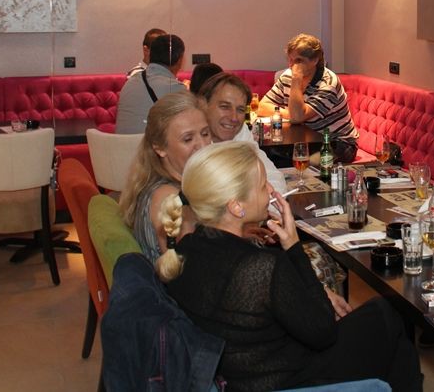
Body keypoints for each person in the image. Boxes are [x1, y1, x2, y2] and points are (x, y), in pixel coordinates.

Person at [158, 141, 422, 392]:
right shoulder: (262, 267)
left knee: (386, 331)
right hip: (287, 378)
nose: (270, 192)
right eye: (262, 186)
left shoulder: (183, 250)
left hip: (238, 373)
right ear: (236, 207)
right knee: (387, 315)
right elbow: (324, 332)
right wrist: (294, 247)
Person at [200, 72, 349, 299]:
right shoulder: (194, 146)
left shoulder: (239, 133)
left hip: (247, 236)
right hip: (220, 257)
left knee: (322, 253)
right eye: (224, 106)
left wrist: (265, 219)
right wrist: (247, 224)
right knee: (314, 263)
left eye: (240, 109)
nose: (233, 117)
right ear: (203, 105)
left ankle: (323, 307)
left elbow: (272, 177)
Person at [117, 92, 211, 264]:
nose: (203, 145)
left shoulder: (162, 184)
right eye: (188, 139)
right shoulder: (170, 198)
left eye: (205, 134)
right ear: (160, 148)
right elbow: (189, 268)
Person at [259, 34, 359, 163]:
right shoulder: (287, 76)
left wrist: (296, 79)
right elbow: (262, 106)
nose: (292, 66)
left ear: (315, 60)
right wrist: (291, 114)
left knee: (301, 163)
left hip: (338, 143)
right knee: (265, 155)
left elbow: (298, 117)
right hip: (305, 140)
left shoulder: (328, 83)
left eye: (299, 61)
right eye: (290, 60)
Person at [115, 33, 187, 134]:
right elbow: (186, 125)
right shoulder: (175, 88)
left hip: (119, 143)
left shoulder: (130, 82)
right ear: (180, 60)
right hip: (147, 143)